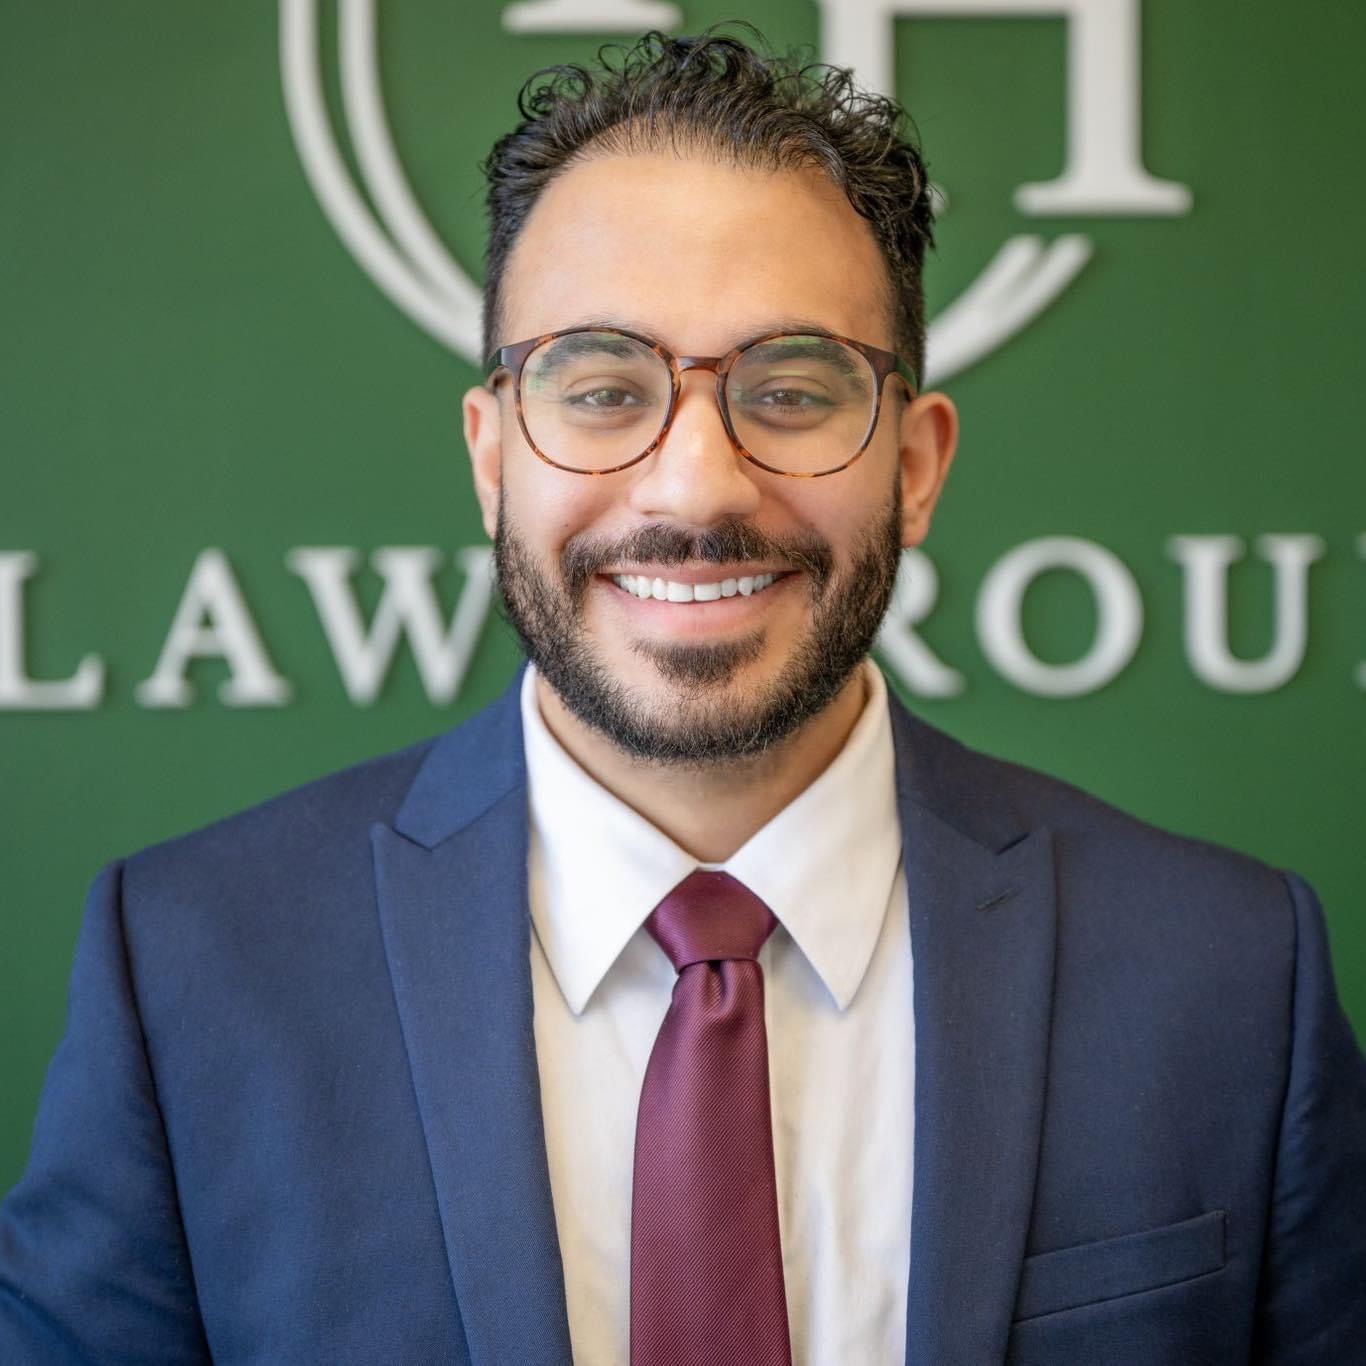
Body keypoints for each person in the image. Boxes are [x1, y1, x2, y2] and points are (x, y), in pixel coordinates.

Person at [2, 25, 1364, 1366]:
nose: (694, 485)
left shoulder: (1232, 976)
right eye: (600, 388)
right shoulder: (187, 972)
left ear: (916, 463)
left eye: (789, 389)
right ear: (492, 456)